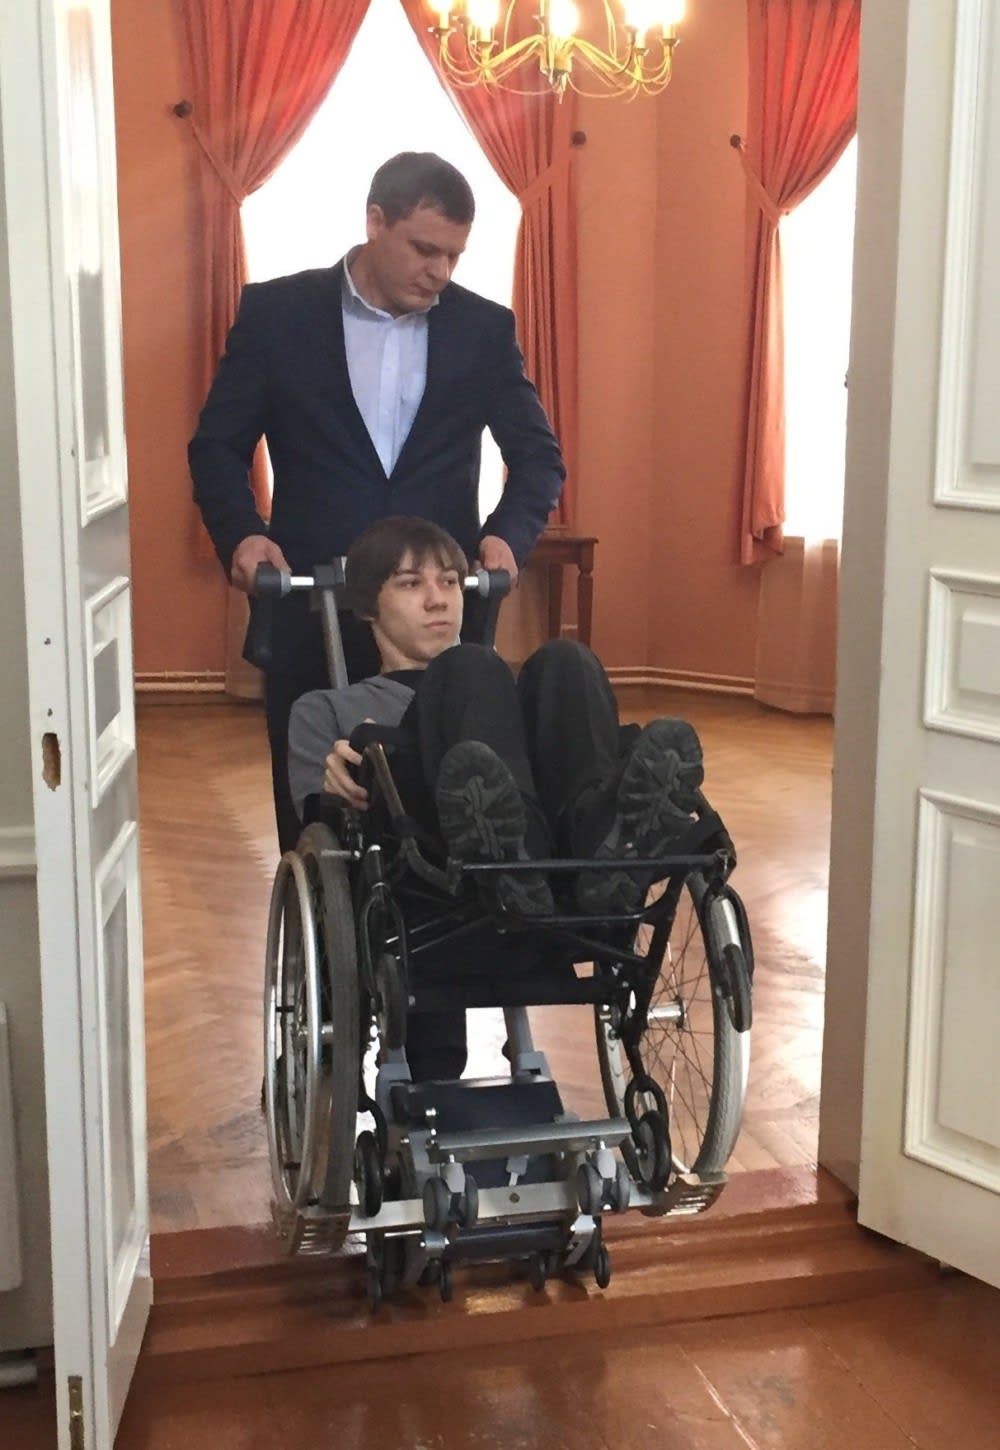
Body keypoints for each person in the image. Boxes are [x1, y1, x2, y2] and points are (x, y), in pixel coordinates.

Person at [189, 152, 565, 852]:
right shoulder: (278, 314)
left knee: (453, 799)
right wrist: (242, 534)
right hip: (312, 601)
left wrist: (506, 536)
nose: (440, 271)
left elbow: (540, 458)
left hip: (436, 613)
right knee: (316, 811)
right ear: (374, 221)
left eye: (454, 255)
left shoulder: (483, 329)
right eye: (425, 249)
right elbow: (216, 446)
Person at [288, 515, 705, 921]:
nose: (438, 600)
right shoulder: (324, 708)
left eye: (449, 582)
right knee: (470, 663)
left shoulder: (508, 692)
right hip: (432, 867)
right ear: (367, 605)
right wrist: (334, 783)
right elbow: (317, 828)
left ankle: (607, 849)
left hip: (570, 863)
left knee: (567, 659)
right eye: (411, 583)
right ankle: (514, 854)